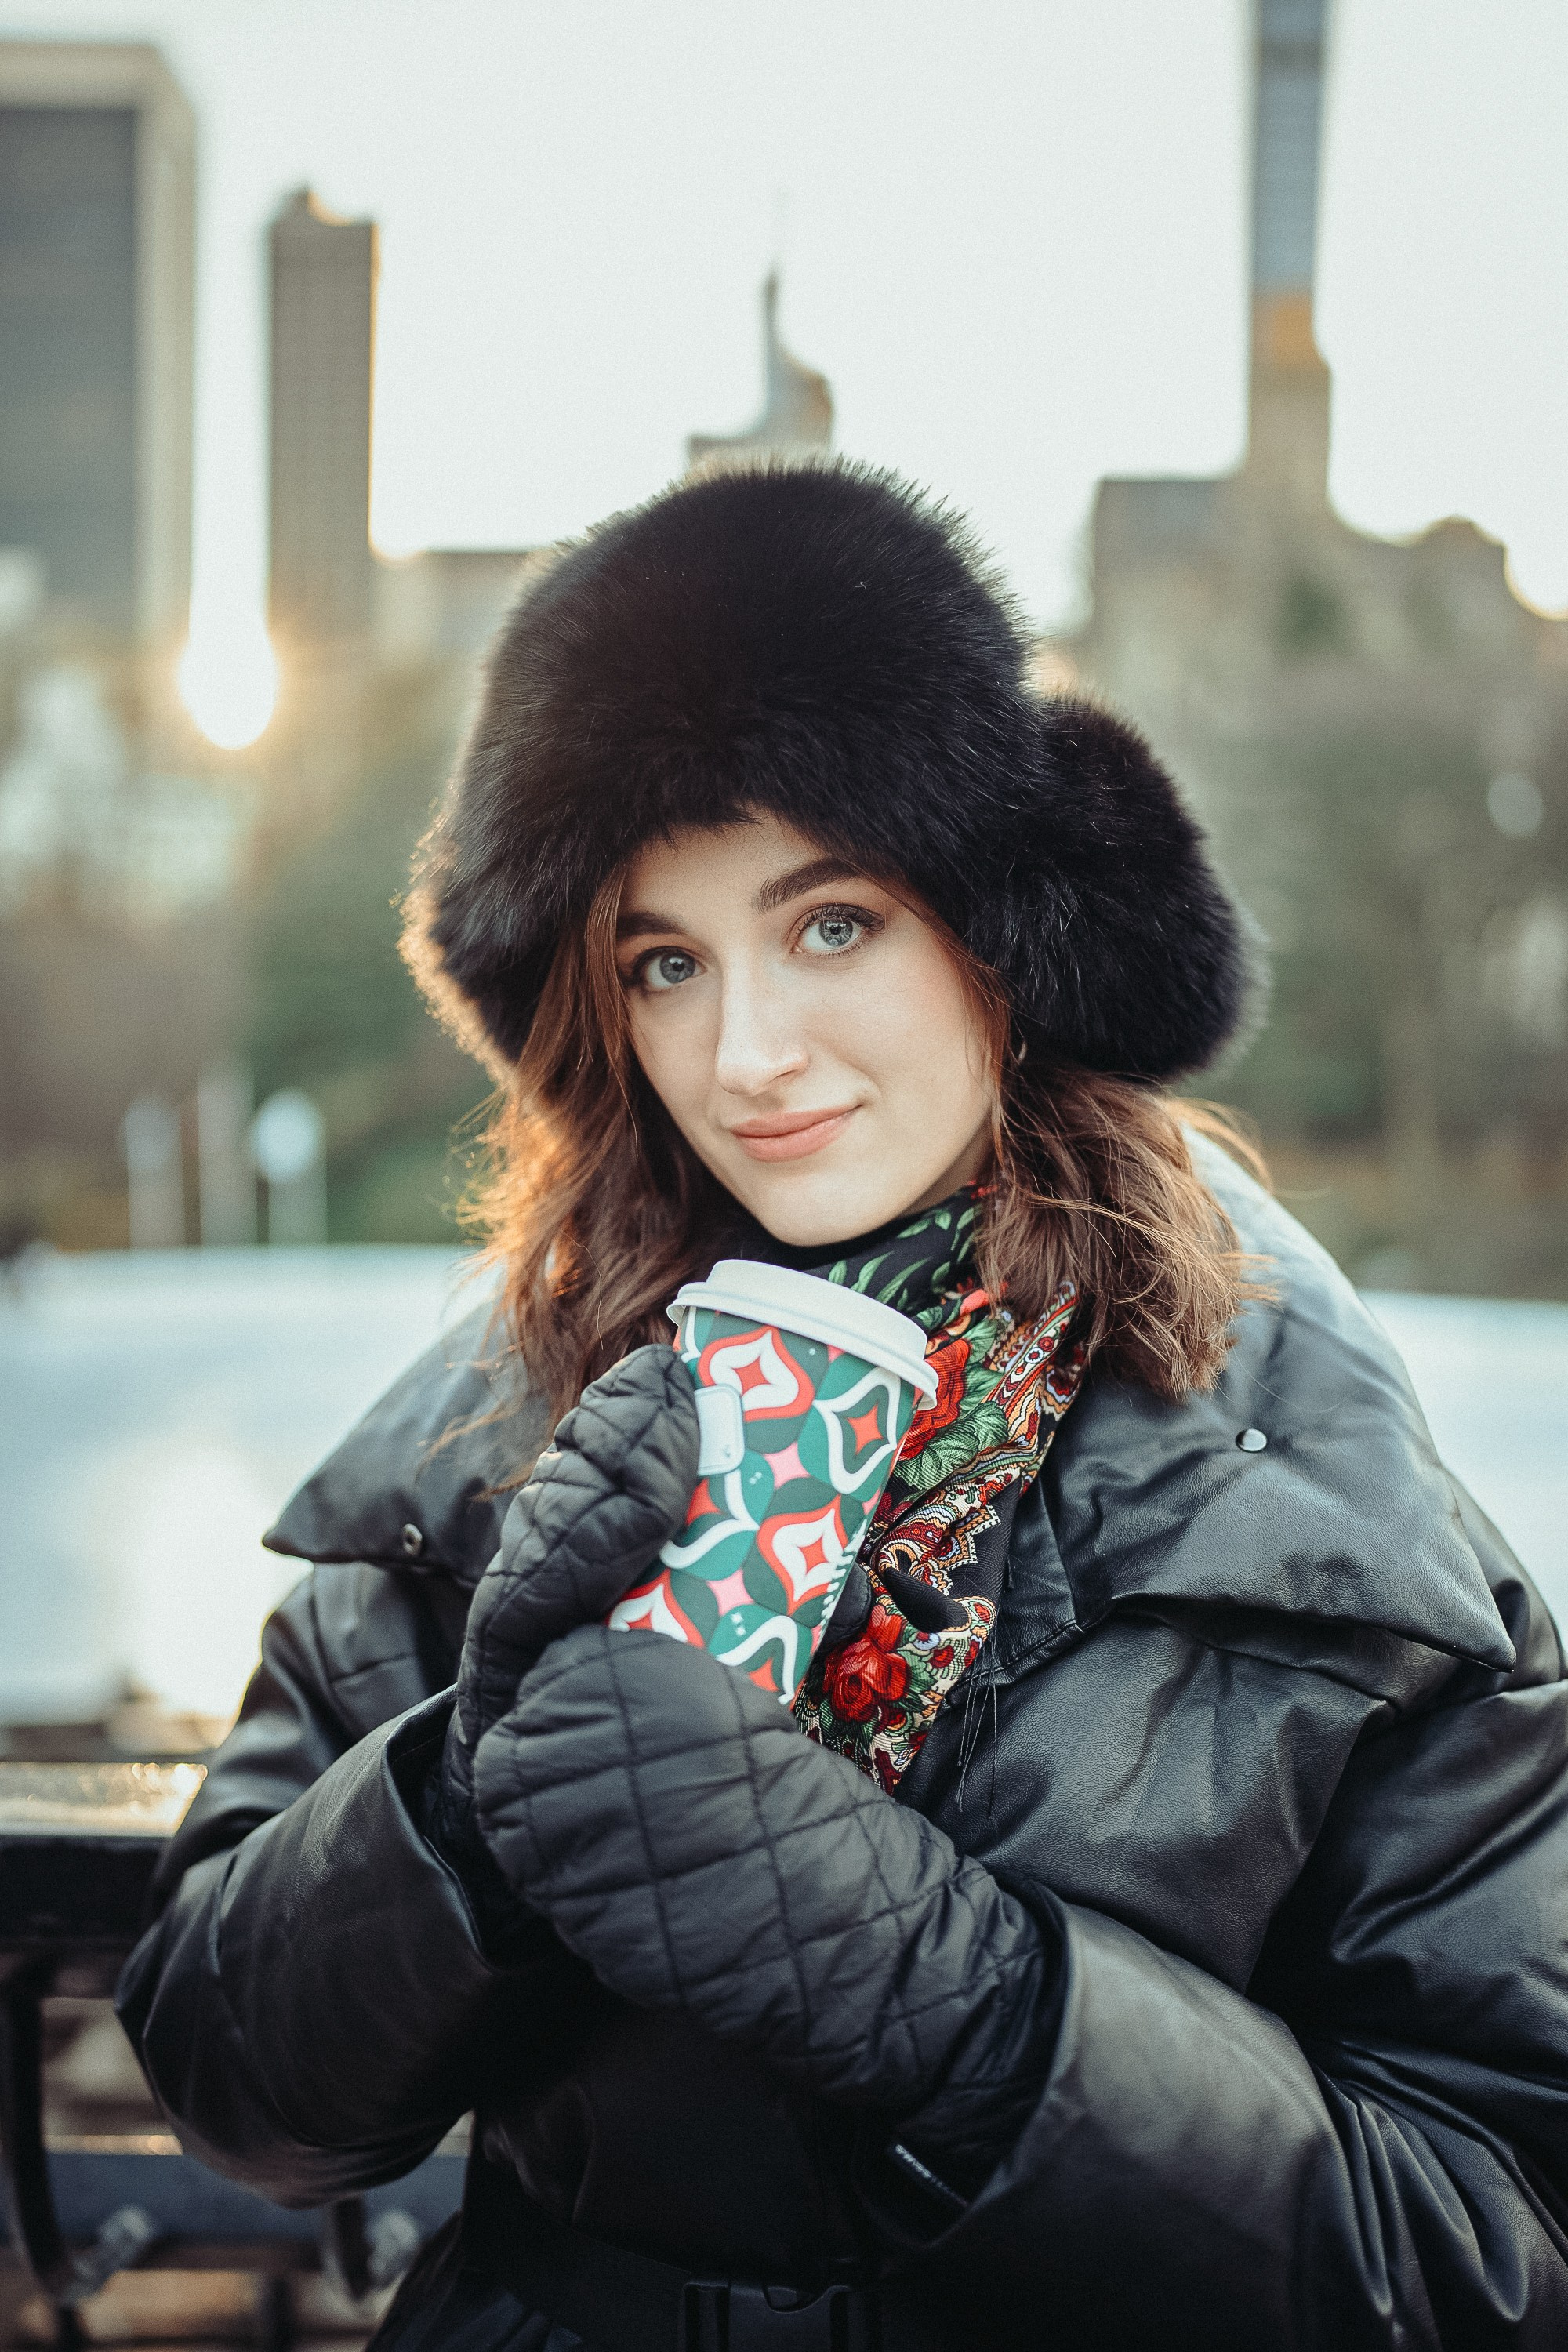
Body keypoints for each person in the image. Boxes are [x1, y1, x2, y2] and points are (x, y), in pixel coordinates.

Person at [118, 464, 1568, 2350]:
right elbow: (233, 2084)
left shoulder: (1314, 1497)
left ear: (999, 931)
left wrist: (955, 2004)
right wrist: (465, 1810)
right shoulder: (483, 1440)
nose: (747, 1055)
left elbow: (1490, 2250)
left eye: (830, 925)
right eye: (664, 963)